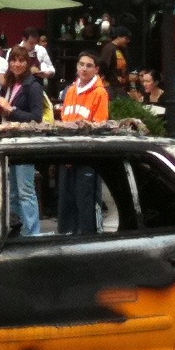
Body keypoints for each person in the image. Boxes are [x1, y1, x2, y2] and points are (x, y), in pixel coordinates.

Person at [56, 53, 114, 234]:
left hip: (87, 156)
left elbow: (99, 125)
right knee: (67, 202)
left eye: (89, 65)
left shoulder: (100, 93)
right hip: (67, 154)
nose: (84, 68)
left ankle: (90, 242)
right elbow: (65, 119)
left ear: (96, 69)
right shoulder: (71, 90)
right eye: (81, 64)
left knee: (86, 204)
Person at [0, 50, 47, 235]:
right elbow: (7, 112)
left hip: (24, 143)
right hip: (8, 141)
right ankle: (17, 230)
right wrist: (0, 109)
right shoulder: (9, 83)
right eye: (13, 60)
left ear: (27, 63)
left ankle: (33, 233)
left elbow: (36, 117)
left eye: (21, 60)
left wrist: (11, 110)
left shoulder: (33, 85)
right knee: (13, 192)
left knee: (25, 191)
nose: (17, 64)